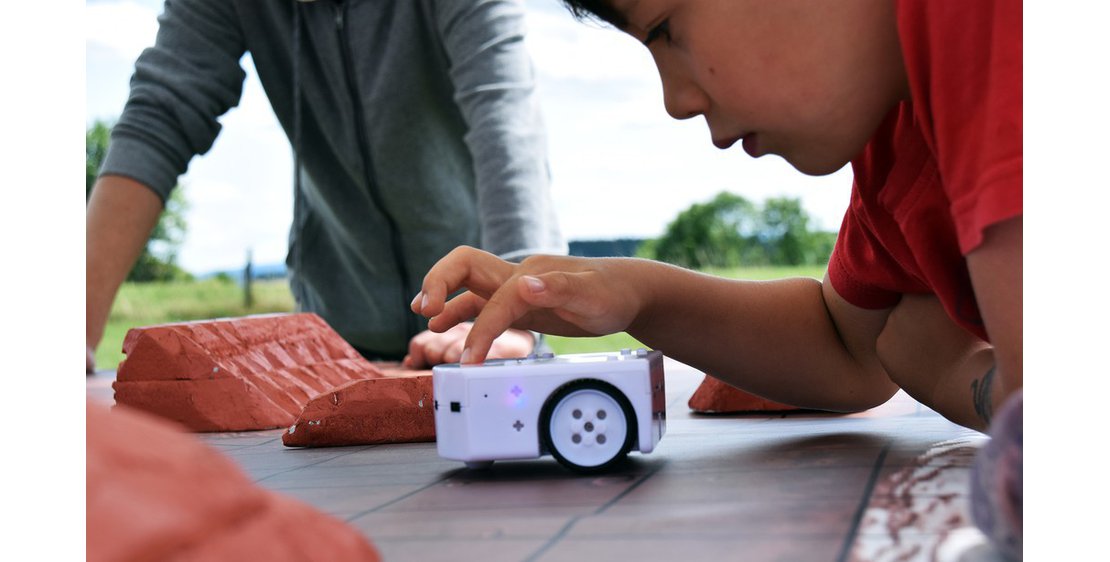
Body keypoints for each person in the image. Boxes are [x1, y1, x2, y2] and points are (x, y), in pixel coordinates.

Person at [410, 0, 1021, 557]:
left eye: (666, 30)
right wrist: (634, 295)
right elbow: (847, 348)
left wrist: (953, 375)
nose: (676, 101)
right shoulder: (894, 145)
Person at [86, 0, 566, 373]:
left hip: (482, 334)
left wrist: (512, 311)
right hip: (334, 339)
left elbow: (504, 119)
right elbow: (159, 115)